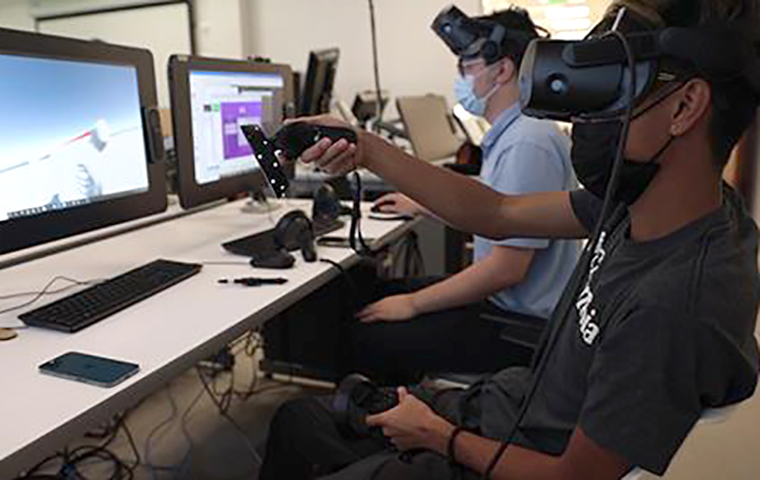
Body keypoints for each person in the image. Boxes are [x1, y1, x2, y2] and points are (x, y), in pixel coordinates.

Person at [258, 1, 760, 479]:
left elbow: (574, 476)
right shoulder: (649, 206)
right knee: (298, 422)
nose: (588, 117)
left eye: (616, 91)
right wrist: (365, 147)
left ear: (686, 106)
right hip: (505, 407)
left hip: (507, 452)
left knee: (309, 436)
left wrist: (439, 436)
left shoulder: (675, 303)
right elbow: (497, 211)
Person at [348, 8, 578, 385]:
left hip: (520, 324)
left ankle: (390, 429)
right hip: (509, 304)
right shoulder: (516, 133)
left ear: (501, 70)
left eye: (467, 69)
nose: (462, 80)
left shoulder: (527, 143)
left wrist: (413, 305)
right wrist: (424, 203)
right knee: (378, 292)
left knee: (373, 335)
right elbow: (492, 212)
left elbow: (506, 269)